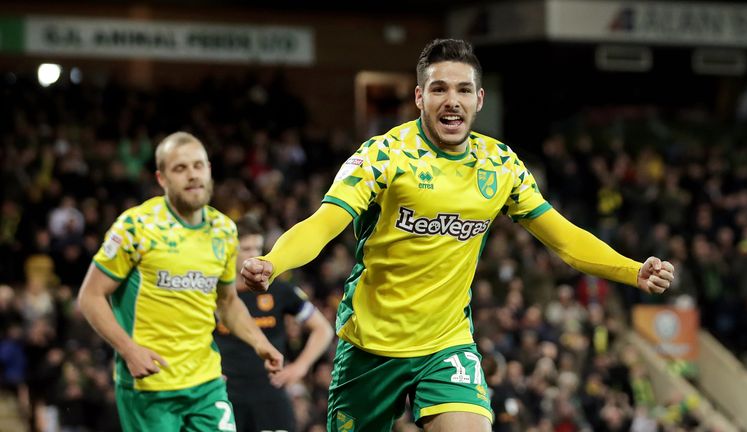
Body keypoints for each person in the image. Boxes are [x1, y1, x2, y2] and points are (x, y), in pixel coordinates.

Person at [241, 39, 675, 432]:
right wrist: (273, 263)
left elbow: (562, 237)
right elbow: (324, 223)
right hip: (370, 346)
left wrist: (631, 270)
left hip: (446, 343)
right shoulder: (383, 156)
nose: (452, 101)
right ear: (419, 97)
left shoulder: (500, 165)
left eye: (463, 90)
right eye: (439, 89)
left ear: (479, 99)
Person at [77, 132, 284, 432]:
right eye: (180, 168)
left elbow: (226, 302)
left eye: (198, 166)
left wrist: (260, 344)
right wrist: (128, 350)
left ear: (209, 170)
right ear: (161, 179)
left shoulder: (224, 230)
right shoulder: (136, 226)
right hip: (150, 386)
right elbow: (90, 296)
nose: (192, 175)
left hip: (206, 382)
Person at [214, 214, 334, 431]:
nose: (254, 256)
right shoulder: (213, 293)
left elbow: (323, 329)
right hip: (225, 396)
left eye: (258, 249)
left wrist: (300, 367)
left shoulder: (278, 289)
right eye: (247, 249)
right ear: (230, 250)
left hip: (270, 395)